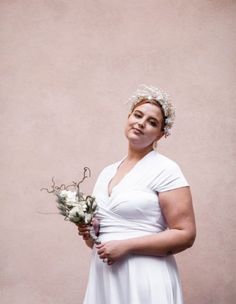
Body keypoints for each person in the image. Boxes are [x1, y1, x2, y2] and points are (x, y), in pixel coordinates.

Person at [77, 85, 196, 304]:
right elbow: (99, 238)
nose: (141, 123)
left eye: (152, 122)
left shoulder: (166, 170)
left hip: (144, 276)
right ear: (128, 117)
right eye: (138, 115)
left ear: (162, 133)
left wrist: (126, 245)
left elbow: (185, 234)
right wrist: (90, 232)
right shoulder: (106, 172)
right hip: (105, 276)